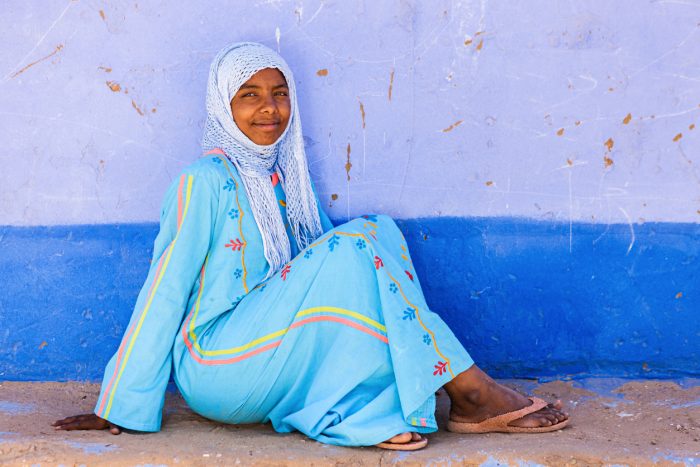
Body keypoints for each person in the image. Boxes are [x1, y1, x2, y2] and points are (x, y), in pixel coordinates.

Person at [53, 42, 568, 450]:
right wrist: (119, 404)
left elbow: (343, 283)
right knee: (357, 243)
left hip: (278, 356)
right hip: (217, 365)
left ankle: (355, 412)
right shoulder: (202, 181)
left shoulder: (289, 180)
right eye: (249, 95)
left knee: (377, 235)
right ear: (223, 105)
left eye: (279, 92)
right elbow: (164, 289)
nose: (269, 108)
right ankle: (470, 391)